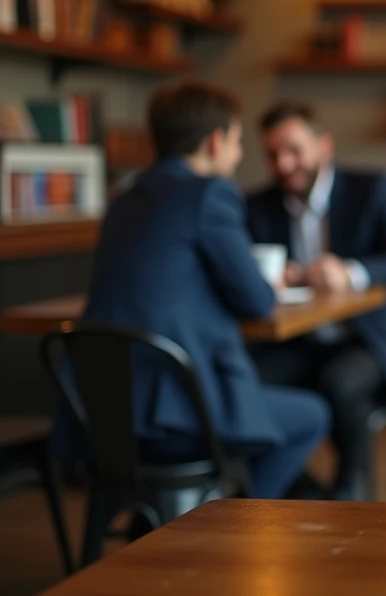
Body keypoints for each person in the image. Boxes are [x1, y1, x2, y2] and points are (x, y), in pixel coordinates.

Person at [75, 82, 330, 500]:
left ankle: (176, 519)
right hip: (176, 415)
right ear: (215, 141)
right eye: (236, 140)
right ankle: (227, 525)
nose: (239, 153)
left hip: (104, 417)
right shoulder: (209, 194)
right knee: (313, 415)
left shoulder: (123, 199)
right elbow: (258, 301)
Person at [244, 101, 386, 501]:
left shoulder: (370, 189)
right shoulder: (258, 205)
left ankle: (352, 489)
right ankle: (301, 491)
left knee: (341, 383)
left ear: (323, 147)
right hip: (301, 338)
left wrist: (351, 272)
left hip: (372, 340)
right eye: (273, 154)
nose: (283, 164)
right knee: (245, 382)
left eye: (294, 150)